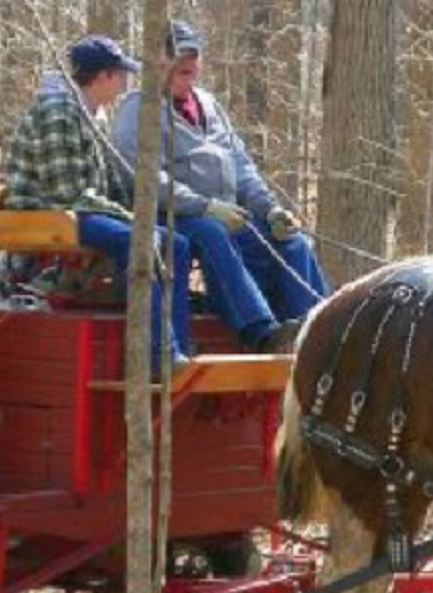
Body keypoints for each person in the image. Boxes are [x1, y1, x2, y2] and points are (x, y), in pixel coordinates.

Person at [111, 19, 330, 354]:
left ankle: (316, 328)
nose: (188, 76)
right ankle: (261, 331)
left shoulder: (209, 105)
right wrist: (204, 206)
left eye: (192, 69)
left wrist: (269, 208)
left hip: (227, 212)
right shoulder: (138, 108)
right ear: (160, 64)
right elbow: (144, 177)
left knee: (290, 240)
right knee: (212, 233)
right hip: (171, 214)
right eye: (180, 69)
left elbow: (241, 165)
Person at [3, 33, 193, 368]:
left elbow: (107, 186)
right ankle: (155, 353)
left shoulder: (94, 114)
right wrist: (128, 217)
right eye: (120, 75)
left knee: (174, 242)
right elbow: (67, 194)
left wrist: (141, 209)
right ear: (103, 75)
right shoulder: (58, 114)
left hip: (79, 212)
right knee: (140, 239)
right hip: (48, 215)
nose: (124, 83)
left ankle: (174, 350)